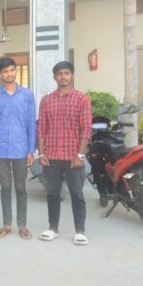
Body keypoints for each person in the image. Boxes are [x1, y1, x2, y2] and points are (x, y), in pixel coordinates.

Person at [37, 61, 92, 246]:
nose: (63, 77)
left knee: (76, 193)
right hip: (51, 155)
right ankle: (53, 228)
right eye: (59, 74)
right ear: (54, 77)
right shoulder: (46, 100)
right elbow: (41, 128)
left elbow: (86, 129)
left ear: (72, 75)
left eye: (66, 73)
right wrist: (41, 153)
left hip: (73, 157)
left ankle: (80, 231)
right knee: (52, 193)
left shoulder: (81, 99)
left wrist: (80, 155)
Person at [0, 57, 37, 241]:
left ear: (15, 71)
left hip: (21, 148)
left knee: (21, 187)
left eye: (12, 70)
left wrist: (31, 149)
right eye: (5, 71)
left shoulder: (27, 95)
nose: (9, 74)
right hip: (0, 149)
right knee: (5, 187)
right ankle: (7, 224)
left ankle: (22, 225)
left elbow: (31, 124)